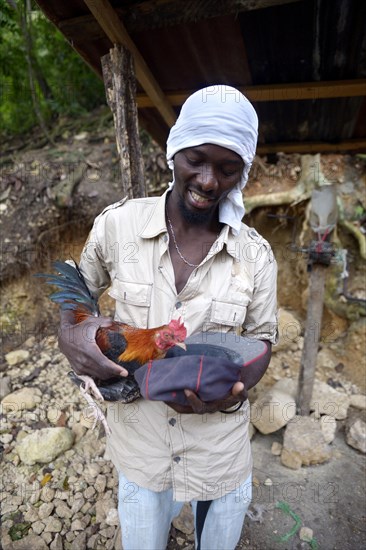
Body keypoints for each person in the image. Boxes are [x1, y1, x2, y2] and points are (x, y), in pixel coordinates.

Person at [58, 84, 278, 550]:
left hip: (218, 447)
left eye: (227, 167)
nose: (207, 180)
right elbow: (79, 287)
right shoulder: (118, 225)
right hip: (141, 446)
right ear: (173, 151)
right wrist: (68, 330)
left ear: (242, 172)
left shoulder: (255, 255)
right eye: (195, 159)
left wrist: (228, 394)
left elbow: (262, 340)